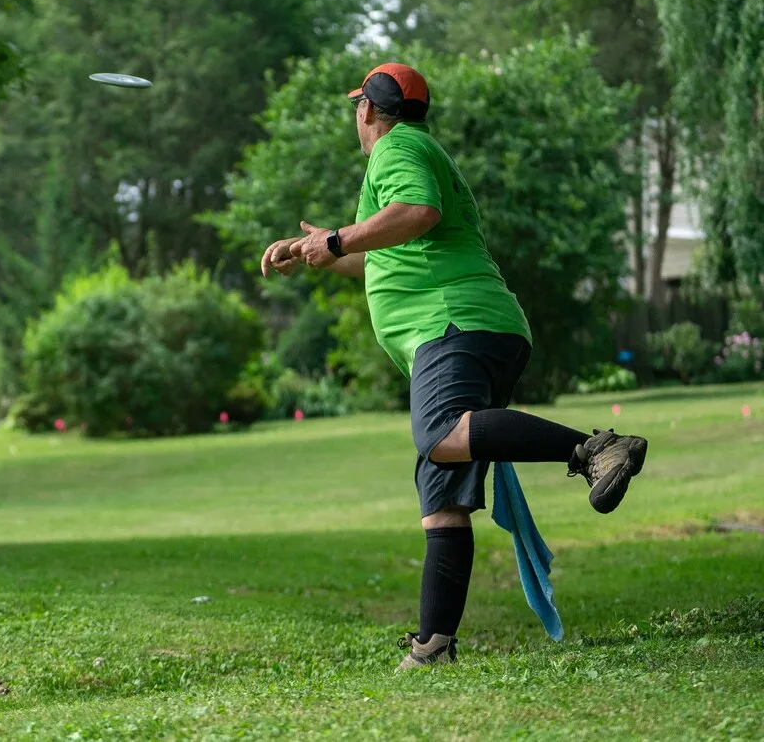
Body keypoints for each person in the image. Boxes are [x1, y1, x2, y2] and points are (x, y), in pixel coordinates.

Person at [259, 63, 648, 671]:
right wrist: (316, 254)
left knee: (440, 437)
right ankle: (434, 644)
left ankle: (597, 449)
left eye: (356, 106)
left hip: (452, 324)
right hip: (463, 326)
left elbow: (419, 212)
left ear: (366, 110)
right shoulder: (414, 148)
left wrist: (335, 238)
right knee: (442, 491)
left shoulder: (396, 150)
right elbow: (391, 258)